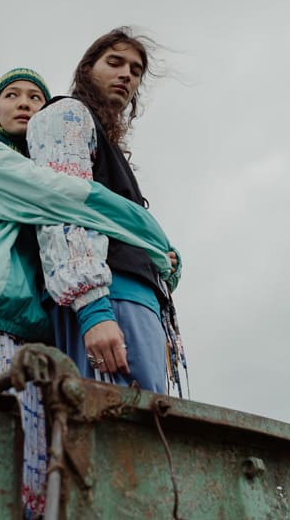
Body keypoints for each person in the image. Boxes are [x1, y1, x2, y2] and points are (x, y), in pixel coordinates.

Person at [0, 66, 180, 517]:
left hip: (22, 342)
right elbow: (65, 194)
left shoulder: (35, 180)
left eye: (36, 97)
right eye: (11, 95)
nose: (25, 103)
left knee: (37, 492)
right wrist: (152, 236)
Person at [27, 27, 185, 395]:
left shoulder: (104, 141)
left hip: (136, 299)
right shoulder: (66, 115)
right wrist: (93, 311)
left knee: (145, 419)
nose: (126, 74)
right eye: (115, 63)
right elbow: (63, 208)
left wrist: (159, 253)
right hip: (108, 300)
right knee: (111, 419)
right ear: (87, 69)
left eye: (135, 70)